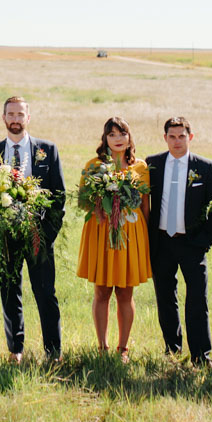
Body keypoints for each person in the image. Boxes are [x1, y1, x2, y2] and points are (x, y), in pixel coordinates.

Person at [0, 96, 65, 363]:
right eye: (11, 114)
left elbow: (58, 196)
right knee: (10, 292)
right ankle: (15, 349)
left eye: (20, 114)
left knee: (45, 293)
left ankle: (53, 351)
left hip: (38, 235)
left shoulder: (47, 150)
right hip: (5, 237)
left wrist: (47, 233)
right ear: (4, 118)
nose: (16, 119)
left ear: (28, 118)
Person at [147, 116, 212, 367]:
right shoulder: (153, 165)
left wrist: (204, 240)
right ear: (165, 137)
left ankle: (202, 355)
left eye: (182, 136)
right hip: (161, 242)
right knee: (166, 298)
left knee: (197, 301)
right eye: (172, 136)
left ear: (190, 137)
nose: (177, 141)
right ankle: (172, 349)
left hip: (192, 243)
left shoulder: (204, 167)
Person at [76, 116, 151, 361]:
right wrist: (101, 202)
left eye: (122, 134)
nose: (118, 139)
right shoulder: (93, 166)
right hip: (101, 232)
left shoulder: (140, 168)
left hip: (131, 234)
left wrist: (146, 239)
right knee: (102, 292)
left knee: (125, 294)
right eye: (112, 134)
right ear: (105, 139)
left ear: (129, 138)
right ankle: (102, 347)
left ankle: (123, 348)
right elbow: (82, 202)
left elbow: (145, 207)